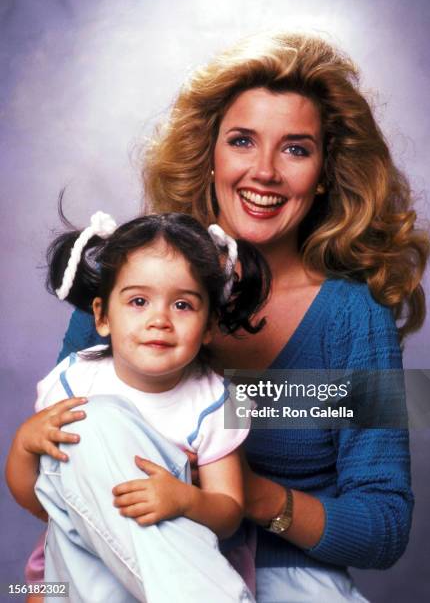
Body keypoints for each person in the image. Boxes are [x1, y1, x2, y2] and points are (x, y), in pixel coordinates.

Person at [15, 31, 430, 602]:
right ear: (209, 155)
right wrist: (52, 578)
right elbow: (62, 468)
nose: (264, 171)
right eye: (242, 141)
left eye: (295, 148)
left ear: (326, 173)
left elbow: (383, 527)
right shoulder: (130, 281)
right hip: (115, 560)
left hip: (289, 576)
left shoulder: (352, 318)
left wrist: (241, 498)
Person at [6, 211, 272, 601]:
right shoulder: (76, 381)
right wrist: (23, 445)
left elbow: (230, 512)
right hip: (81, 561)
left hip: (168, 569)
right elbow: (41, 502)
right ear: (102, 316)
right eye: (138, 301)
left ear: (210, 324)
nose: (159, 319)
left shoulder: (212, 401)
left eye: (182, 305)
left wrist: (186, 499)